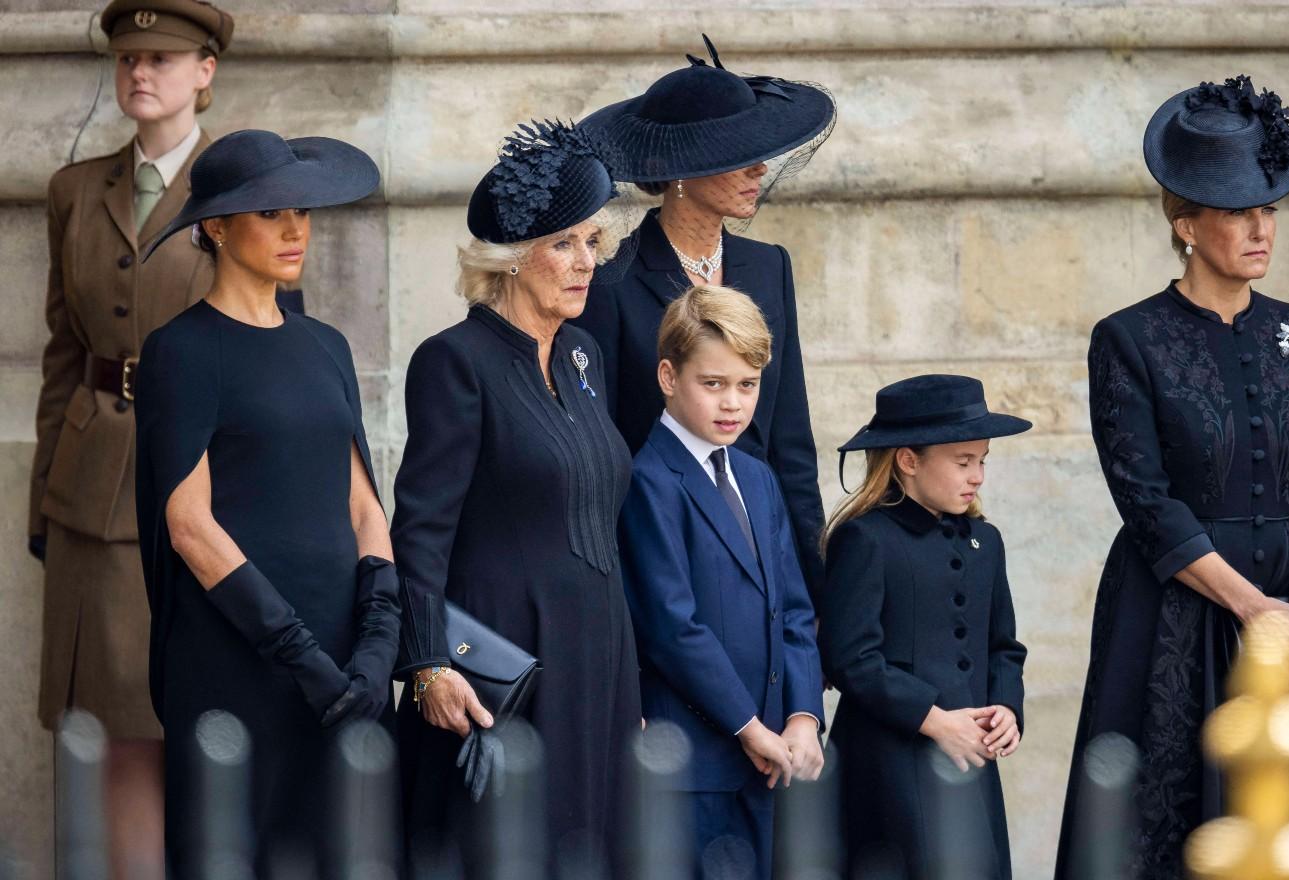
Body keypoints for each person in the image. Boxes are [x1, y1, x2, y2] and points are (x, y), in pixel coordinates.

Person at [1054, 75, 1289, 879]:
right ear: (1186, 225)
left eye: (1269, 211)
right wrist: (1251, 607)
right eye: (1238, 213)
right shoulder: (1126, 339)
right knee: (1166, 833)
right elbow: (1146, 501)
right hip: (1170, 623)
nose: (1262, 230)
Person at [30, 4, 300, 872]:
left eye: (161, 57)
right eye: (128, 58)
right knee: (120, 733)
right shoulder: (76, 190)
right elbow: (62, 358)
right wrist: (45, 500)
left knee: (214, 720)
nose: (140, 73)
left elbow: (277, 357)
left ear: (205, 72)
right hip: (95, 491)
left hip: (212, 489)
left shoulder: (247, 190)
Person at [134, 129, 395, 875]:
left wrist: (377, 642)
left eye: (303, 213)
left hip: (344, 660)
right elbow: (188, 525)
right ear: (216, 226)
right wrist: (297, 653)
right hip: (237, 659)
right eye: (271, 213)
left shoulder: (326, 346)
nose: (294, 230)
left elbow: (364, 505)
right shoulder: (180, 351)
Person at [389, 120, 641, 876]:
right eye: (564, 243)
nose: (585, 263)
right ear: (509, 257)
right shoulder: (452, 363)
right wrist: (429, 663)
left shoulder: (584, 354)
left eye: (592, 242)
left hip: (600, 655)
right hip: (507, 666)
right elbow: (421, 531)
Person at [574, 35, 835, 600]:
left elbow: (790, 437)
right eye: (738, 155)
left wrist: (815, 588)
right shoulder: (611, 281)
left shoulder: (769, 267)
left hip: (765, 546)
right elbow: (604, 445)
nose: (760, 169)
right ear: (682, 170)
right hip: (663, 556)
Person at [618, 284, 824, 880]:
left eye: (747, 385)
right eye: (713, 384)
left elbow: (793, 609)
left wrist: (803, 718)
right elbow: (672, 627)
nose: (732, 403)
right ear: (667, 375)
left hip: (773, 759)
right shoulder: (648, 480)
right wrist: (750, 727)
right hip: (693, 763)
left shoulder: (757, 479)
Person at [818, 375, 1029, 879]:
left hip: (969, 762)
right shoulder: (866, 538)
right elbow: (851, 658)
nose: (977, 475)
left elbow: (1004, 645)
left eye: (981, 461)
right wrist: (936, 721)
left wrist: (1007, 706)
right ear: (908, 461)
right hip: (888, 767)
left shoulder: (986, 540)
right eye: (962, 461)